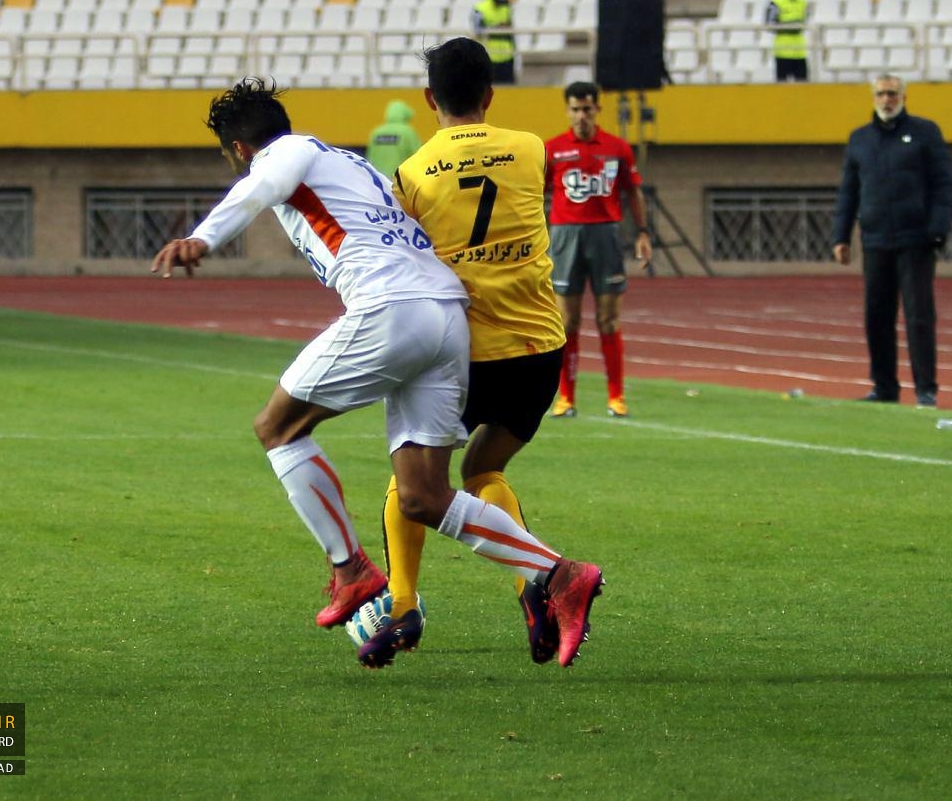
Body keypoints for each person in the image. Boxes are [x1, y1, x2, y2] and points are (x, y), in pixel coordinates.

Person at [150, 78, 603, 670]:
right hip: (446, 315)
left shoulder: (286, 153)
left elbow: (262, 184)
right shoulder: (351, 163)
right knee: (422, 495)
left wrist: (201, 236)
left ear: (238, 148)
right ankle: (559, 574)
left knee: (277, 428)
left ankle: (351, 571)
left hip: (392, 308)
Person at [385, 37, 567, 665]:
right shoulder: (531, 148)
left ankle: (402, 607)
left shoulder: (411, 173)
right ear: (490, 94)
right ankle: (532, 589)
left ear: (429, 97)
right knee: (483, 472)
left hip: (458, 356)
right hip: (538, 352)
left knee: (412, 482)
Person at [831, 73, 952, 408]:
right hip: (875, 239)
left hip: (915, 239)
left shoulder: (925, 133)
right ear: (873, 97)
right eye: (881, 94)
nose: (887, 100)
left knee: (918, 316)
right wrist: (841, 236)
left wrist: (938, 228)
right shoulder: (860, 139)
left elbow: (943, 184)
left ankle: (925, 389)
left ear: (903, 97)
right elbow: (849, 192)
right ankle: (884, 387)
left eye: (892, 94)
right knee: (877, 316)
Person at [544, 80, 652, 419]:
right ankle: (566, 397)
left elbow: (633, 191)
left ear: (597, 109)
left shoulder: (617, 147)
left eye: (587, 109)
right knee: (567, 321)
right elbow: (535, 194)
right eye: (575, 109)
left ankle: (616, 396)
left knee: (608, 318)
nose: (581, 116)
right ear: (567, 111)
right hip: (565, 236)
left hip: (606, 234)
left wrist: (643, 232)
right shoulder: (552, 149)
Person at [765, 0, 808, 82]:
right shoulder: (776, 1)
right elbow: (769, 23)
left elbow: (805, 20)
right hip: (783, 51)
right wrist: (789, 26)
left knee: (803, 85)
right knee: (782, 85)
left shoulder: (801, 1)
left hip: (799, 51)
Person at [364, 98, 421, 179]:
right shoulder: (407, 132)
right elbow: (418, 155)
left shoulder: (376, 132)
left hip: (379, 179)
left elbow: (370, 156)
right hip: (400, 179)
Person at [471, 0, 516, 85]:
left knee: (509, 88)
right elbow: (477, 30)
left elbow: (510, 27)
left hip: (507, 55)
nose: (500, 5)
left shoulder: (506, 7)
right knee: (490, 89)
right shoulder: (480, 8)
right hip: (489, 56)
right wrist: (495, 27)